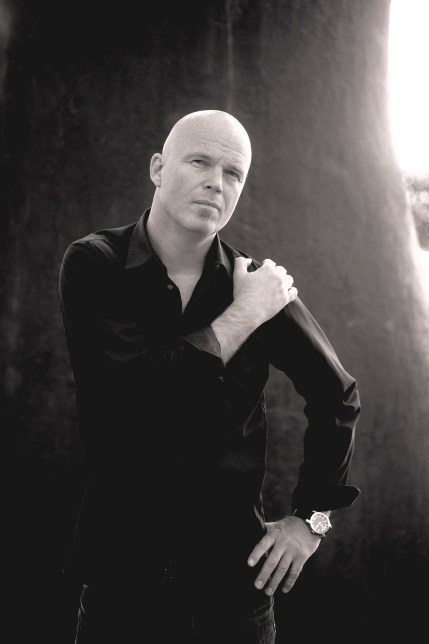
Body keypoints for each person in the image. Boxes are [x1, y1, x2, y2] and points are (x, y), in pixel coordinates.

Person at [59, 109, 361, 644]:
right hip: (122, 584)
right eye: (199, 161)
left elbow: (338, 394)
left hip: (234, 595)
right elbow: (133, 396)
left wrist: (311, 520)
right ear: (158, 168)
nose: (216, 183)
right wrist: (244, 315)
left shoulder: (258, 283)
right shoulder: (95, 264)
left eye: (233, 173)